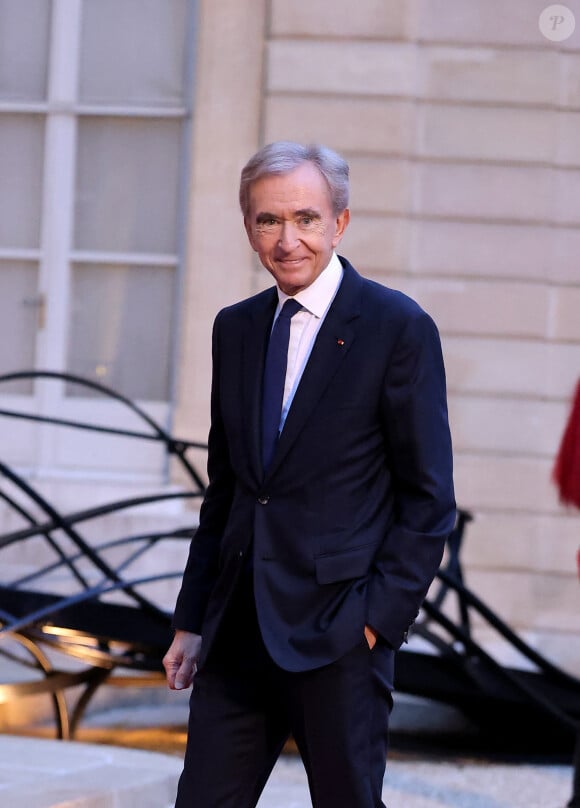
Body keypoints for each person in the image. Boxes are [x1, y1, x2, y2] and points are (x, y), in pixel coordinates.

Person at [163, 140, 456, 808]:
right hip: (237, 633)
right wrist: (191, 619)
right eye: (269, 220)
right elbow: (230, 489)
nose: (287, 238)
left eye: (306, 218)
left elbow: (428, 500)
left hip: (339, 636)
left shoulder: (396, 327)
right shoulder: (234, 329)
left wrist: (375, 622)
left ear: (340, 223)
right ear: (248, 229)